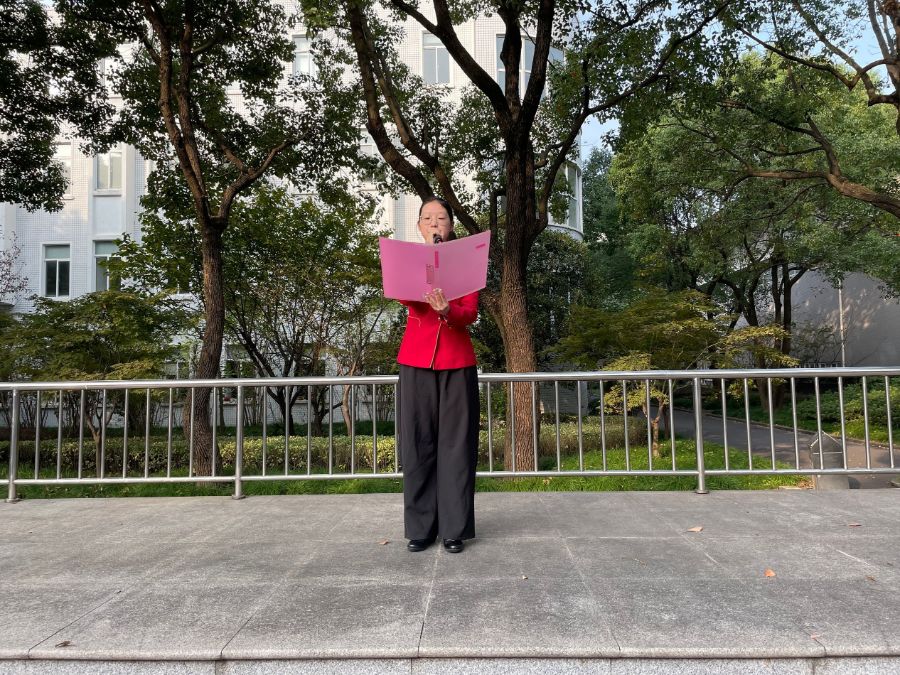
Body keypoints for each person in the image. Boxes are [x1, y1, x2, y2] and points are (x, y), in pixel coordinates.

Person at [396, 196, 480, 554]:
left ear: (451, 225)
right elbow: (405, 299)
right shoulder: (407, 259)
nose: (434, 223)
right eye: (428, 218)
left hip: (457, 362)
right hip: (415, 361)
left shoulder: (467, 262)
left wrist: (448, 310)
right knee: (417, 445)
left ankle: (454, 529)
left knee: (456, 447)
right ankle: (420, 528)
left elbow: (470, 313)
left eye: (441, 218)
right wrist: (420, 280)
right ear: (419, 226)